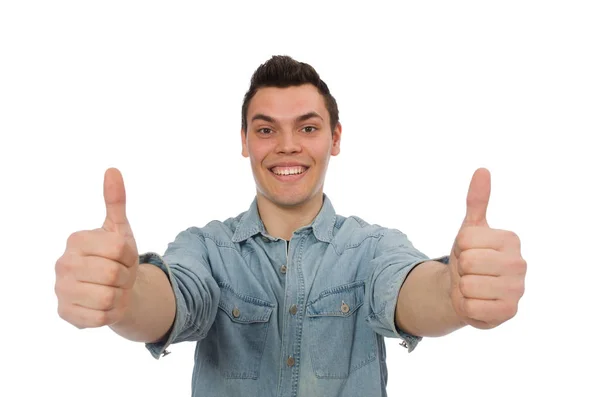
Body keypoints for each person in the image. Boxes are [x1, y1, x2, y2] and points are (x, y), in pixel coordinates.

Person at [54, 55, 527, 397]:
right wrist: (124, 297)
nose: (287, 146)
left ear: (334, 138)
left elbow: (408, 290)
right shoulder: (205, 247)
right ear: (245, 141)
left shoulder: (373, 247)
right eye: (265, 130)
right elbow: (174, 299)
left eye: (307, 127)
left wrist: (455, 293)